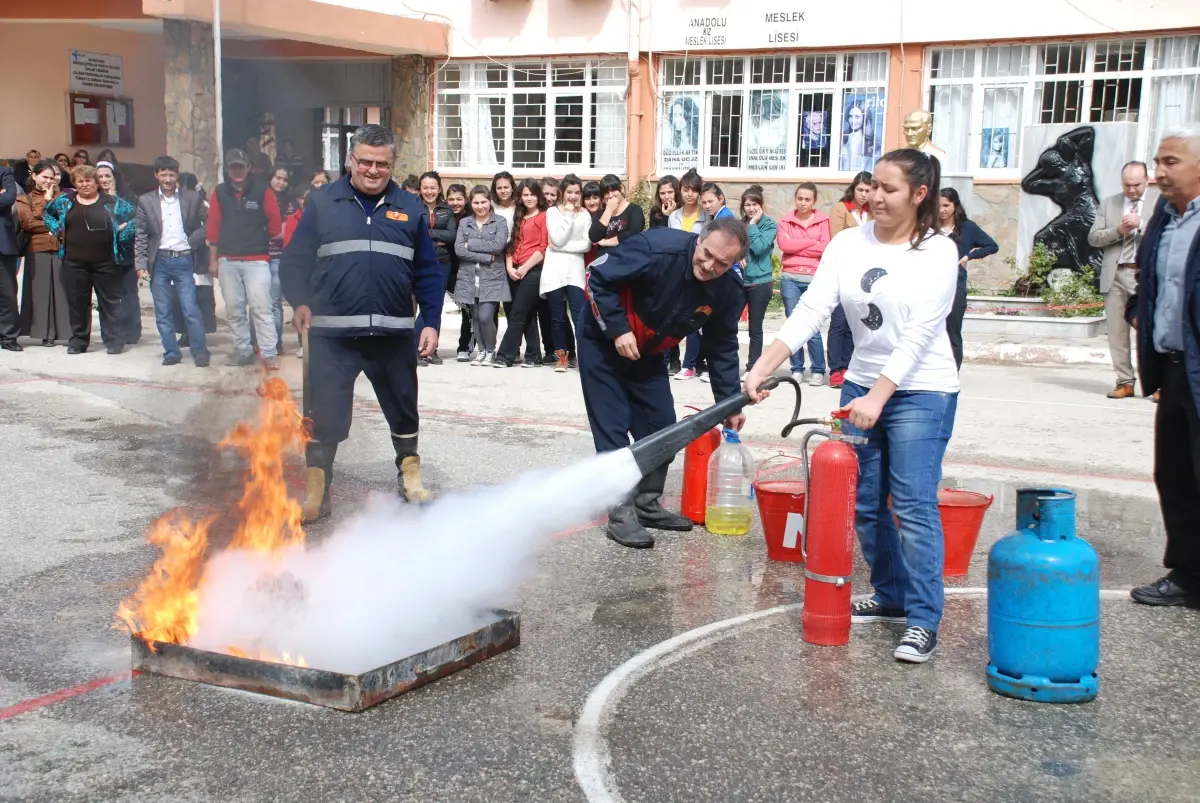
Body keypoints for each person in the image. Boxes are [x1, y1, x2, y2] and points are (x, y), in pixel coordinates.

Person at [746, 149, 959, 664]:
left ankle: (924, 618)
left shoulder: (938, 253)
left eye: (889, 189)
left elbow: (919, 335)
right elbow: (811, 310)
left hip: (922, 390)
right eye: (871, 187)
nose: (874, 197)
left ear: (919, 194)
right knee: (865, 503)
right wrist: (762, 364)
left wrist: (879, 397)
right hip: (861, 385)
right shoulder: (846, 243)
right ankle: (889, 595)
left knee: (911, 504)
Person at [280, 124, 444, 520]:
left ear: (392, 165)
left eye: (382, 164)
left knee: (403, 408)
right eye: (365, 162)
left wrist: (430, 320)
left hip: (392, 334)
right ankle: (318, 489)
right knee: (325, 414)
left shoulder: (410, 207)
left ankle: (410, 475)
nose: (373, 171)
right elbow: (295, 260)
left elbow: (428, 271)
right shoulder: (322, 202)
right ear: (350, 160)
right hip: (332, 336)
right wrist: (300, 301)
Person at [583, 218, 749, 549]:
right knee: (612, 424)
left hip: (648, 350)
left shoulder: (728, 290)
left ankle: (646, 503)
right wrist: (617, 328)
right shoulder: (657, 248)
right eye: (707, 254)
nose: (710, 265)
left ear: (735, 263)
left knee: (660, 425)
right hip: (604, 339)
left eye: (722, 263)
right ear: (699, 239)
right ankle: (620, 511)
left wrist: (730, 402)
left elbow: (722, 346)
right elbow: (596, 276)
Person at [1125, 125, 1200, 608]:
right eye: (1158, 162)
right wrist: (1139, 312)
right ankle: (1188, 575)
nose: (1159, 173)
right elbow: (1152, 278)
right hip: (1173, 371)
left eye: (1170, 161)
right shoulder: (1163, 217)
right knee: (1174, 473)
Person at [43, 164, 135, 355]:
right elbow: (46, 213)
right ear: (75, 183)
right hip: (73, 262)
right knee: (77, 303)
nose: (85, 185)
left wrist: (122, 232)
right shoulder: (64, 201)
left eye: (88, 180)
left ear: (96, 182)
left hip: (107, 262)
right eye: (80, 181)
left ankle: (113, 340)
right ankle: (78, 340)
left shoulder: (112, 202)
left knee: (109, 303)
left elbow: (137, 218)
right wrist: (56, 229)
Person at [1088, 161, 1160, 399]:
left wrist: (1141, 225)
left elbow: (1170, 232)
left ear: (1147, 180)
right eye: (1127, 185)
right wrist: (1118, 230)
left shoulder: (1161, 201)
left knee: (1150, 330)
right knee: (1117, 332)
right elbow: (1094, 238)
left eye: (1136, 185)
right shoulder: (1110, 203)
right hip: (1115, 273)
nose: (1131, 190)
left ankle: (1159, 384)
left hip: (1146, 275)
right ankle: (1125, 381)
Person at [207, 148, 282, 368]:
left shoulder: (262, 191)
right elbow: (213, 228)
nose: (237, 170)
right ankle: (243, 350)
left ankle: (268, 353)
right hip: (227, 261)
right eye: (233, 166)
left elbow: (275, 224)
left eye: (241, 166)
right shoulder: (219, 192)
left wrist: (255, 238)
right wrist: (213, 260)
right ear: (227, 169)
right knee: (234, 309)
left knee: (261, 307)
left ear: (248, 167)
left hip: (257, 261)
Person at [135, 155, 210, 367]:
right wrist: (140, 265)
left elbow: (210, 220)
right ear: (156, 175)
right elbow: (141, 234)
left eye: (172, 174)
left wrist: (193, 239)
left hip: (184, 258)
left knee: (190, 308)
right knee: (163, 310)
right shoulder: (146, 200)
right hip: (159, 260)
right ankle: (171, 351)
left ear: (177, 175)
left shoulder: (191, 198)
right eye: (164, 174)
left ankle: (200, 350)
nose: (168, 178)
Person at [676, 182, 734, 382]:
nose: (707, 205)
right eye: (705, 202)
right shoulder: (716, 218)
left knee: (708, 322)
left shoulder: (725, 220)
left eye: (711, 201)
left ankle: (695, 366)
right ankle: (694, 364)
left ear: (721, 199)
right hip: (715, 277)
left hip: (722, 278)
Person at [776, 182, 832, 385]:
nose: (803, 203)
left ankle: (817, 369)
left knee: (812, 324)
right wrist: (811, 241)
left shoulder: (823, 220)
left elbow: (824, 247)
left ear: (814, 201)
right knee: (794, 323)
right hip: (790, 277)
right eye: (800, 198)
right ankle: (796, 368)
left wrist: (798, 244)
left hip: (814, 277)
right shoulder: (785, 220)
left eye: (807, 199)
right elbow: (784, 245)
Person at [938, 188, 998, 370]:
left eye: (946, 205)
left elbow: (992, 246)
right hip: (932, 285)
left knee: (952, 331)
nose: (942, 210)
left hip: (956, 284)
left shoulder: (967, 227)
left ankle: (952, 373)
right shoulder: (930, 227)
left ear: (955, 206)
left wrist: (969, 257)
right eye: (938, 206)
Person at [16, 160, 71, 346]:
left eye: (51, 177)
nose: (49, 181)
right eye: (44, 177)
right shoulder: (25, 198)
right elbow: (28, 224)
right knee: (40, 292)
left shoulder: (63, 197)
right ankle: (44, 332)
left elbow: (68, 222)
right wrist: (50, 216)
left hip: (60, 247)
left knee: (61, 290)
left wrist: (50, 203)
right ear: (34, 176)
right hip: (37, 248)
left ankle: (63, 332)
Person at [494, 179, 549, 368]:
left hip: (533, 270)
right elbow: (512, 243)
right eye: (525, 195)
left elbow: (543, 247)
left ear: (538, 196)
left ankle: (504, 355)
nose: (529, 198)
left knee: (518, 313)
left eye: (532, 194)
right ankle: (534, 356)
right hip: (514, 268)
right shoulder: (519, 215)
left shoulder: (544, 216)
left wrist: (524, 267)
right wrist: (509, 266)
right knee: (526, 314)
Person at [454, 186, 510, 367]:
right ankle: (482, 351)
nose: (480, 206)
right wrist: (485, 256)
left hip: (492, 277)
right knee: (476, 317)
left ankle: (491, 351)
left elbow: (498, 245)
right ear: (471, 203)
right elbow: (459, 250)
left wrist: (471, 243)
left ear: (490, 202)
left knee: (486, 316)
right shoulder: (465, 222)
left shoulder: (499, 221)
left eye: (484, 202)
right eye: (476, 202)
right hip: (469, 277)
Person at [827, 171, 873, 388]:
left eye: (868, 190)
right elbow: (837, 239)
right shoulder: (841, 209)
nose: (864, 195)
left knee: (856, 321)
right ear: (853, 189)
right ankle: (836, 368)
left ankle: (849, 365)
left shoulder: (872, 212)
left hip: (866, 274)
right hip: (844, 270)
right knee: (838, 322)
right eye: (861, 190)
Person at [543, 174, 591, 373]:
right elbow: (557, 237)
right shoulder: (553, 212)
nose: (573, 196)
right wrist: (569, 216)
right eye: (569, 192)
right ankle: (561, 357)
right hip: (554, 269)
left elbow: (586, 244)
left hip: (575, 270)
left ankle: (585, 357)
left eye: (577, 192)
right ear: (562, 192)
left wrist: (561, 247)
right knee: (557, 317)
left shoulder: (585, 214)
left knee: (579, 315)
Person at [667, 170, 710, 375]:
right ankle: (676, 361)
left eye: (694, 190)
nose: (690, 194)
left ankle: (690, 364)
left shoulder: (706, 217)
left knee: (696, 316)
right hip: (677, 271)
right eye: (686, 190)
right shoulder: (673, 216)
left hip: (698, 271)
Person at [96, 160, 141, 344]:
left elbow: (137, 220)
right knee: (108, 296)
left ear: (115, 177)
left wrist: (121, 228)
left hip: (125, 254)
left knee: (128, 293)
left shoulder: (128, 198)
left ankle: (132, 331)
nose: (104, 180)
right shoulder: (92, 198)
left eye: (107, 176)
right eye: (100, 177)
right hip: (101, 255)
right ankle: (113, 333)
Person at [416, 171, 457, 366]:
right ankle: (416, 348)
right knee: (420, 307)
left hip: (442, 263)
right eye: (425, 187)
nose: (429, 191)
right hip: (419, 262)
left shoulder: (447, 210)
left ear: (439, 188)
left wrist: (428, 234)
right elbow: (413, 232)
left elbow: (451, 235)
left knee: (436, 306)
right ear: (420, 189)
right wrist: (435, 238)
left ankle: (432, 349)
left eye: (433, 187)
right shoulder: (414, 207)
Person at [740, 185, 777, 379]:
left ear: (761, 206)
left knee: (755, 328)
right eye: (747, 205)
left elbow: (760, 248)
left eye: (754, 204)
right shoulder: (739, 225)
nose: (751, 209)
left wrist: (753, 224)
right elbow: (733, 247)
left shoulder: (769, 225)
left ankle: (752, 367)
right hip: (740, 281)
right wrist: (738, 256)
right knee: (728, 324)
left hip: (760, 282)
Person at [444, 183, 475, 362]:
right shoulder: (442, 215)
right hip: (447, 267)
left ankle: (465, 346)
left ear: (465, 200)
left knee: (467, 309)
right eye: (451, 199)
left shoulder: (471, 218)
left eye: (459, 199)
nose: (454, 203)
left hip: (465, 268)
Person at [588, 174, 645, 259]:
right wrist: (609, 211)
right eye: (606, 193)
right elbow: (593, 236)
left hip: (627, 259)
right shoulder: (601, 213)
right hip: (604, 260)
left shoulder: (634, 209)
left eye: (613, 190)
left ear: (621, 189)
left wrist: (606, 243)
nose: (610, 195)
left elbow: (634, 233)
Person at [0, 161, 20, 351]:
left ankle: (8, 337)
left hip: (2, 243)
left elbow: (8, 198)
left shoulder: (5, 172)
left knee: (6, 293)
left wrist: (3, 195)